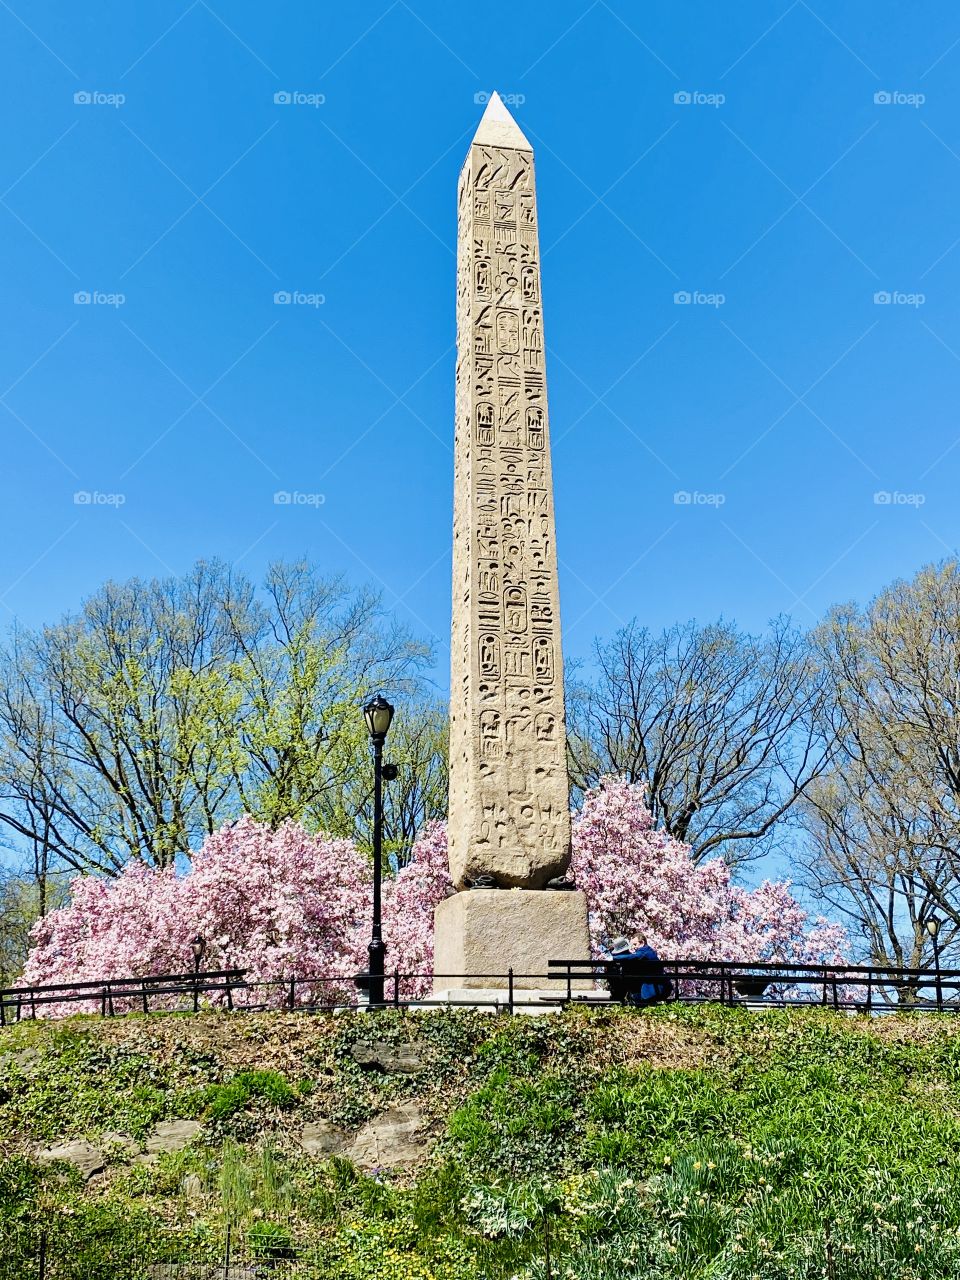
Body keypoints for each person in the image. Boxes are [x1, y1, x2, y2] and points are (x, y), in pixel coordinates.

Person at [605, 935, 673, 1006]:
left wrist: (613, 958)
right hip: (656, 987)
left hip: (656, 988)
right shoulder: (646, 951)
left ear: (642, 943)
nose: (633, 947)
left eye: (635, 944)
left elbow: (634, 956)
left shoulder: (644, 952)